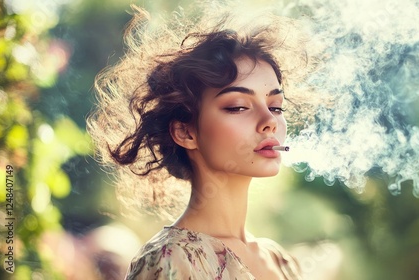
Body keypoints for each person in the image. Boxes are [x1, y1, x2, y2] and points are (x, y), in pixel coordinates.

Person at [88, 3, 307, 279]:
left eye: (276, 106)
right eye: (238, 106)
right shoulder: (170, 261)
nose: (270, 121)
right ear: (186, 133)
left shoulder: (280, 262)